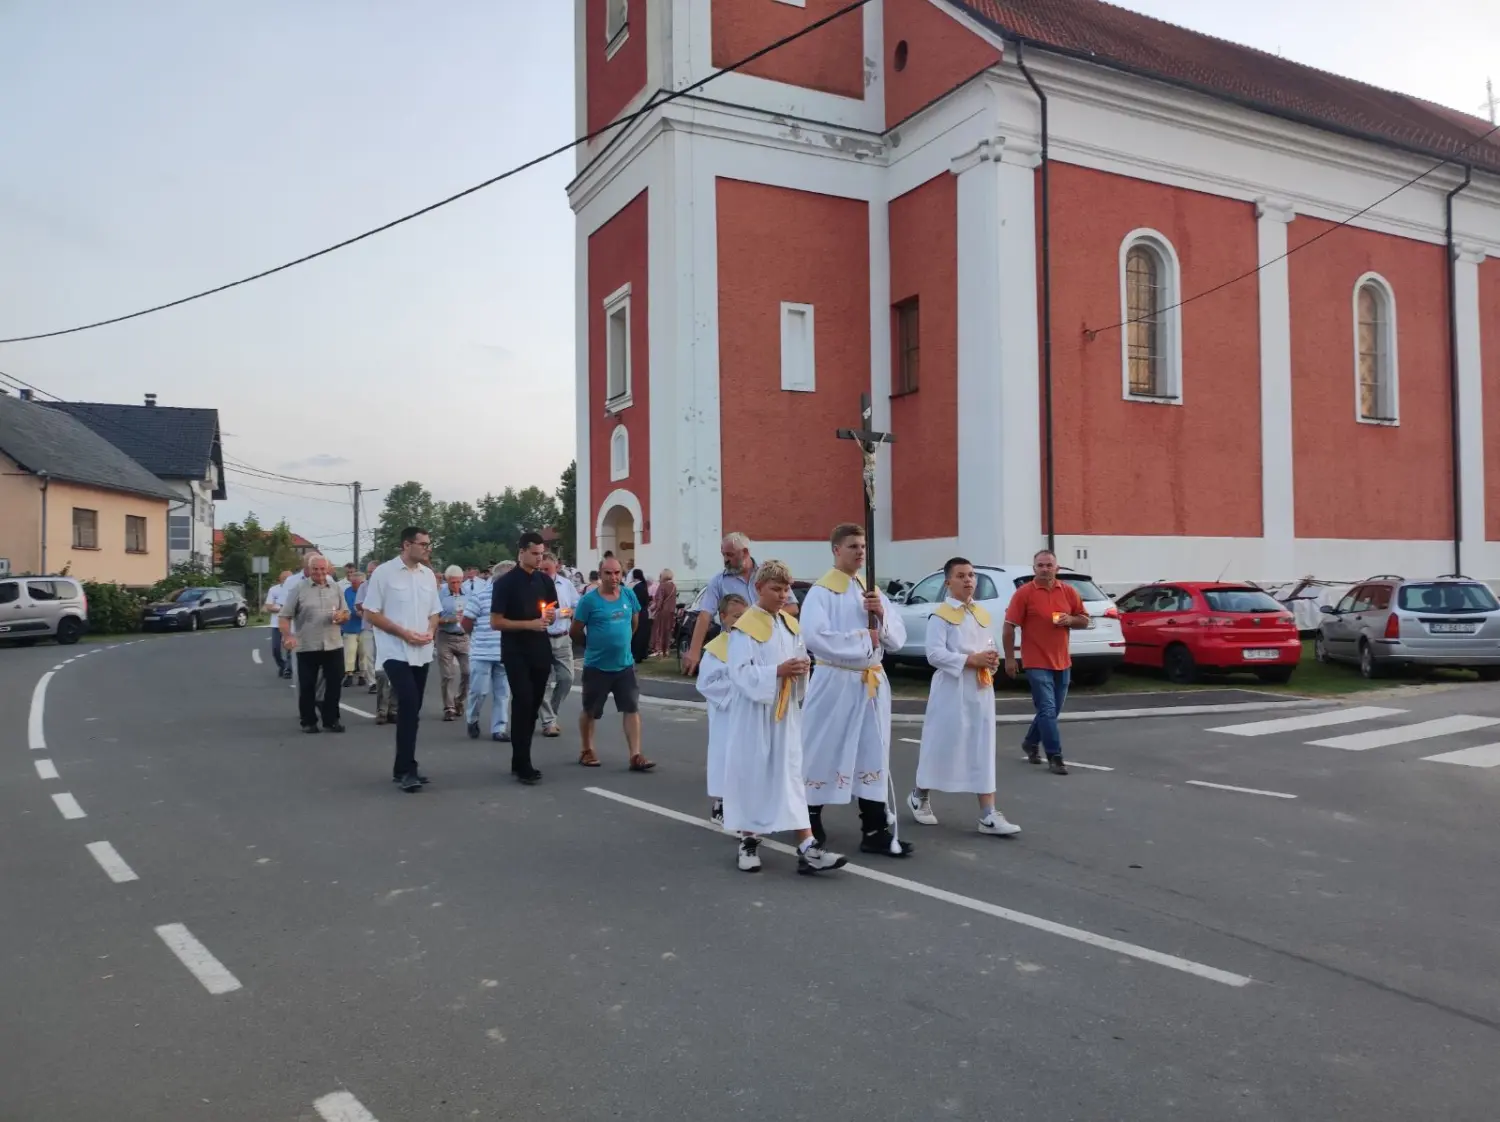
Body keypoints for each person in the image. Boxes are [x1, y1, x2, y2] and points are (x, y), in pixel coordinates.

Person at [721, 560, 848, 876]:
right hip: (755, 714)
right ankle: (749, 840)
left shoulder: (791, 625)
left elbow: (801, 659)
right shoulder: (745, 628)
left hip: (785, 712)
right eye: (776, 589)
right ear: (759, 589)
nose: (782, 595)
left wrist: (801, 669)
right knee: (755, 774)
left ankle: (808, 845)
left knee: (790, 775)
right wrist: (777, 672)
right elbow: (739, 673)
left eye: (786, 589)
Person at [799, 523, 911, 857]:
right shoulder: (822, 592)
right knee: (823, 749)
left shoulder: (871, 590)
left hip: (871, 683)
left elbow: (897, 637)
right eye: (852, 546)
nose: (860, 552)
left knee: (872, 751)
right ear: (835, 550)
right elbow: (815, 637)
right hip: (836, 681)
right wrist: (864, 639)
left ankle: (875, 827)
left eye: (863, 546)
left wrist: (881, 618)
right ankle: (810, 824)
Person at [907, 558, 1022, 836]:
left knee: (981, 745)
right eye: (961, 575)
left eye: (971, 575)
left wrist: (991, 660)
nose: (968, 580)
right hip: (951, 689)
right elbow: (934, 654)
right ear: (948, 582)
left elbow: (989, 646)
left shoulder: (980, 614)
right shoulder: (940, 615)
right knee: (943, 743)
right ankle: (919, 795)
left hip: (980, 689)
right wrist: (971, 659)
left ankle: (988, 813)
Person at [362, 527, 442, 793]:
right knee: (407, 702)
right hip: (395, 650)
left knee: (413, 708)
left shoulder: (428, 575)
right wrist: (404, 633)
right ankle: (407, 769)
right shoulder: (384, 573)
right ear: (407, 545)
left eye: (429, 544)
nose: (428, 549)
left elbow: (434, 611)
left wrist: (430, 631)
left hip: (421, 651)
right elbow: (371, 613)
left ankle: (403, 765)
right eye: (424, 544)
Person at [1003, 549, 1089, 776]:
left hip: (1062, 661)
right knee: (1048, 709)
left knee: (1051, 710)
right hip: (1035, 660)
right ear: (1034, 569)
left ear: (1056, 568)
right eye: (1040, 565)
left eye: (1048, 565)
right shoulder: (1024, 593)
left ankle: (1030, 742)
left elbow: (1084, 619)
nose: (1044, 569)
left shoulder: (1069, 591)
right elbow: (1008, 626)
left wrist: (1069, 619)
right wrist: (1010, 658)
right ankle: (1055, 756)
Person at [571, 557, 653, 772]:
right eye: (608, 573)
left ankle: (635, 754)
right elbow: (575, 630)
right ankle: (586, 750)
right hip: (597, 665)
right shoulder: (589, 601)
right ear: (600, 575)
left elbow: (634, 622)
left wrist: (622, 643)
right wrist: (592, 645)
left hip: (624, 664)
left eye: (617, 573)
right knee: (590, 710)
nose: (613, 577)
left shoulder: (628, 594)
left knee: (631, 708)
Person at [490, 531, 558, 786]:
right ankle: (522, 760)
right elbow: (496, 621)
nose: (539, 559)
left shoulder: (545, 581)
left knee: (534, 704)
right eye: (535, 554)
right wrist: (528, 624)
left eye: (542, 554)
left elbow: (551, 610)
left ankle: (520, 758)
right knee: (523, 700)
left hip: (540, 649)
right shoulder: (505, 583)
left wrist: (551, 616)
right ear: (521, 552)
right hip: (516, 651)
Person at [278, 553, 349, 734]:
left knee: (334, 683)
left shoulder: (335, 588)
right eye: (315, 569)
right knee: (307, 684)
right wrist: (288, 636)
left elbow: (345, 612)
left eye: (323, 569)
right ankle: (308, 721)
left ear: (328, 570)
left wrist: (342, 617)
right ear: (309, 570)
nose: (319, 573)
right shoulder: (299, 588)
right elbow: (285, 616)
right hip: (307, 643)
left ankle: (331, 720)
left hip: (333, 643)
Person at [695, 593, 748, 826]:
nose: (741, 621)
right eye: (736, 616)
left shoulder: (749, 642)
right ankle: (721, 804)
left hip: (747, 711)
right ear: (723, 616)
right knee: (725, 757)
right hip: (726, 713)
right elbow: (706, 683)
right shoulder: (716, 649)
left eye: (745, 616)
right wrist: (739, 685)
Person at [681, 533, 757, 675]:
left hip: (763, 645)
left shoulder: (766, 575)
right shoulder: (718, 582)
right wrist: (694, 651)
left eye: (730, 555)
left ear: (745, 552)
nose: (725, 560)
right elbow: (705, 615)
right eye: (723, 555)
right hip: (733, 649)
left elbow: (791, 607)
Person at [461, 563, 510, 742]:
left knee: (502, 692)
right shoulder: (480, 597)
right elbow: (466, 622)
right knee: (479, 691)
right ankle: (472, 718)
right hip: (482, 652)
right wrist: (477, 636)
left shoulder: (514, 599)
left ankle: (500, 728)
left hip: (505, 652)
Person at [537, 553, 580, 738]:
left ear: (557, 566)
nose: (544, 573)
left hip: (562, 637)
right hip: (541, 638)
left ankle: (552, 711)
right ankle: (548, 722)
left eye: (547, 569)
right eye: (541, 570)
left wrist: (560, 613)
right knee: (543, 682)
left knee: (567, 678)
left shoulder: (566, 585)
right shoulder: (535, 585)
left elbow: (575, 607)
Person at [436, 566, 471, 721]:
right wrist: (450, 619)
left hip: (464, 637)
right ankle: (449, 707)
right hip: (445, 636)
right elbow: (432, 619)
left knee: (468, 672)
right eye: (452, 582)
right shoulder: (439, 595)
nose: (456, 585)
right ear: (447, 580)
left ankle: (459, 700)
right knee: (448, 675)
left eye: (458, 582)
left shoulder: (468, 594)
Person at [354, 560, 379, 691]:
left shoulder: (386, 585)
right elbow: (358, 604)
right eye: (369, 572)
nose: (370, 574)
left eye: (373, 571)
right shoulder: (364, 587)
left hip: (384, 627)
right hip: (368, 626)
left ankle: (384, 680)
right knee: (368, 654)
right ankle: (372, 682)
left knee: (383, 656)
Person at [264, 570, 293, 679]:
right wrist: (282, 609)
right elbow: (269, 606)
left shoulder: (295, 590)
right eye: (284, 578)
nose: (286, 581)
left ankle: (288, 669)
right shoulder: (274, 590)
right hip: (277, 624)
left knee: (290, 647)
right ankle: (283, 664)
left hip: (291, 624)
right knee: (276, 649)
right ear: (280, 579)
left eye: (288, 578)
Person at [340, 569, 366, 688]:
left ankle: (362, 674)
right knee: (349, 651)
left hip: (364, 627)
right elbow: (347, 606)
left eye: (357, 583)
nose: (354, 585)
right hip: (350, 626)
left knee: (364, 652)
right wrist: (357, 612)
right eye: (353, 583)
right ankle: (349, 674)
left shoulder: (368, 592)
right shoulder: (347, 592)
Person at [650, 568, 678, 656]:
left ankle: (659, 650)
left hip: (663, 611)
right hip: (671, 611)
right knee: (668, 631)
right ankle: (667, 650)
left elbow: (660, 600)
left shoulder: (662, 586)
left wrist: (654, 609)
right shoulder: (673, 586)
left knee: (659, 631)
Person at [628, 567, 653, 664]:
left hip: (636, 612)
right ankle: (642, 654)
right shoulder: (644, 585)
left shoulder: (634, 587)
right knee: (643, 634)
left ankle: (635, 654)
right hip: (644, 612)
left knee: (636, 633)